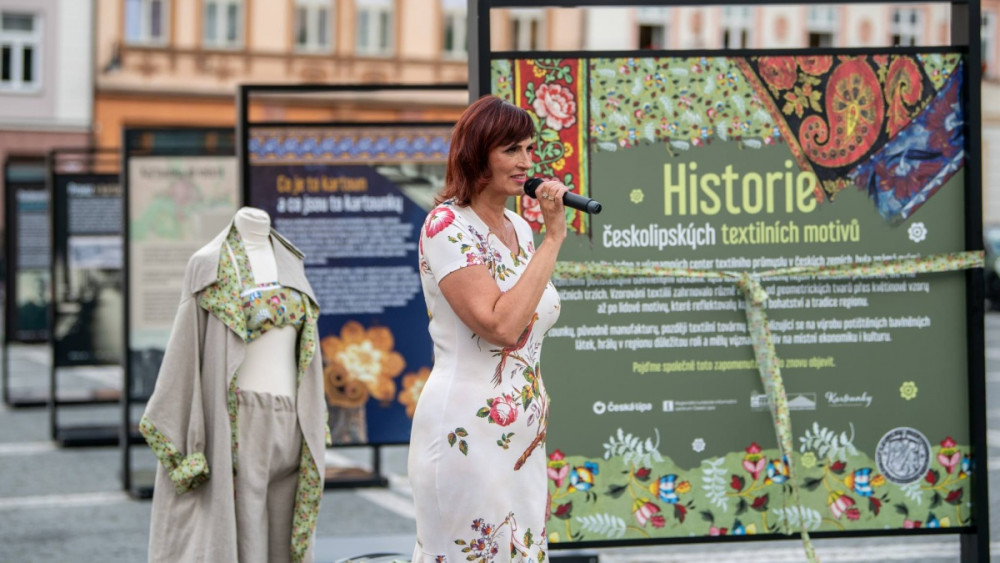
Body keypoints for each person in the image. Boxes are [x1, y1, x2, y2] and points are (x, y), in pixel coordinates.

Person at [408, 95, 570, 562]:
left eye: (529, 149)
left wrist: (540, 238)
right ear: (478, 154)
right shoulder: (446, 226)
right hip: (467, 432)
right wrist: (555, 238)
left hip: (521, 438)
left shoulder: (519, 227)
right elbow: (501, 325)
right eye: (512, 150)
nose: (527, 163)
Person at [140, 207, 327, 563]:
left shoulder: (291, 262)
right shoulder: (209, 264)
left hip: (293, 421)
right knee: (243, 544)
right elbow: (185, 350)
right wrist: (186, 442)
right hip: (240, 420)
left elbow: (307, 354)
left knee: (286, 544)